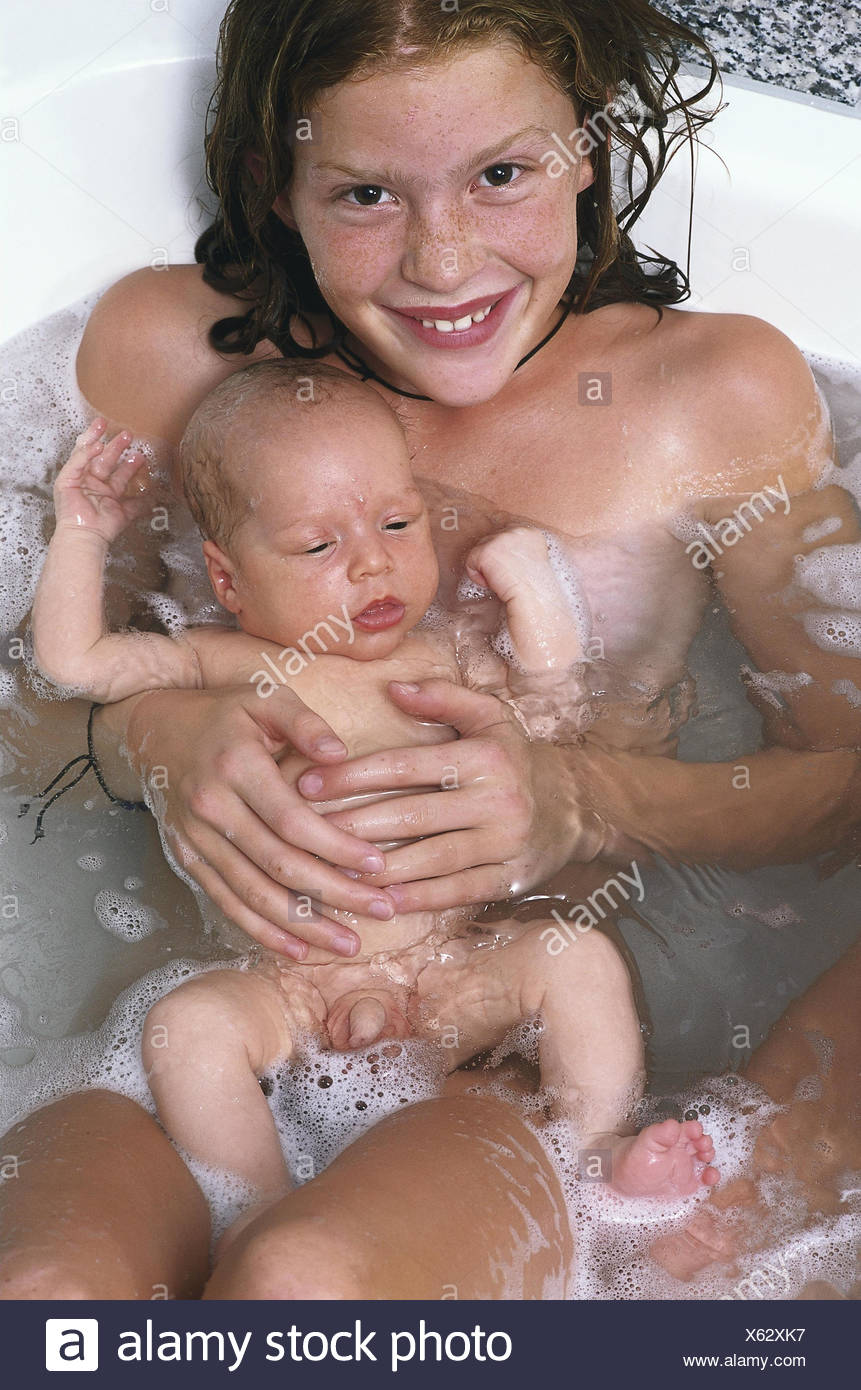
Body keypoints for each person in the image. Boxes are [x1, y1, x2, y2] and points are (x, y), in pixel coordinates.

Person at [1, 0, 857, 1299]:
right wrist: (147, 739)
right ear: (271, 183)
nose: (443, 260)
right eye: (363, 194)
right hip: (184, 1024)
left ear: (587, 146)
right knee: (45, 1296)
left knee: (300, 1287)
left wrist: (581, 800)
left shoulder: (711, 402)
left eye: (502, 173)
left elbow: (845, 788)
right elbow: (26, 708)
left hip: (473, 1044)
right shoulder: (174, 362)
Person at [31, 363, 720, 1227]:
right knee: (186, 1027)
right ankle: (252, 1209)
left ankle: (595, 1153)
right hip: (287, 983)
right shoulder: (216, 662)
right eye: (318, 546)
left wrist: (535, 590)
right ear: (230, 579)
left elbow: (554, 712)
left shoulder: (447, 658)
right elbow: (75, 664)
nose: (372, 563)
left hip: (443, 968)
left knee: (573, 959)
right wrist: (83, 534)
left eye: (398, 523)